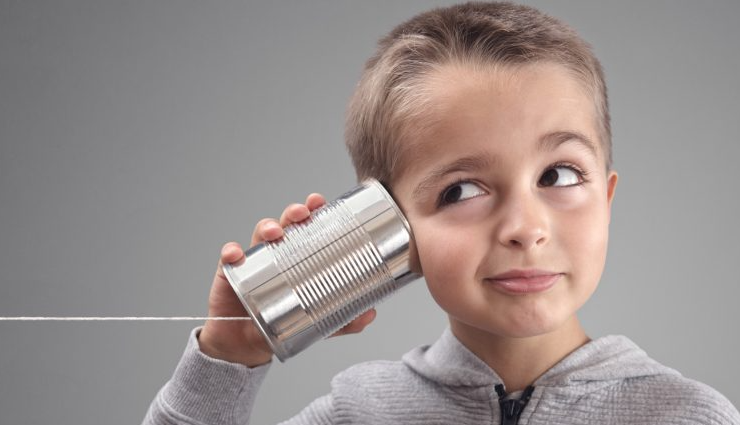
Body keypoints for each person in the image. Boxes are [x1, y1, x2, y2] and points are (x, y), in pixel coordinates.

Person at [143, 2, 740, 424]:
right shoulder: (357, 413)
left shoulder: (687, 416)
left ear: (606, 199)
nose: (525, 229)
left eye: (558, 175)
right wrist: (229, 356)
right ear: (385, 224)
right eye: (461, 190)